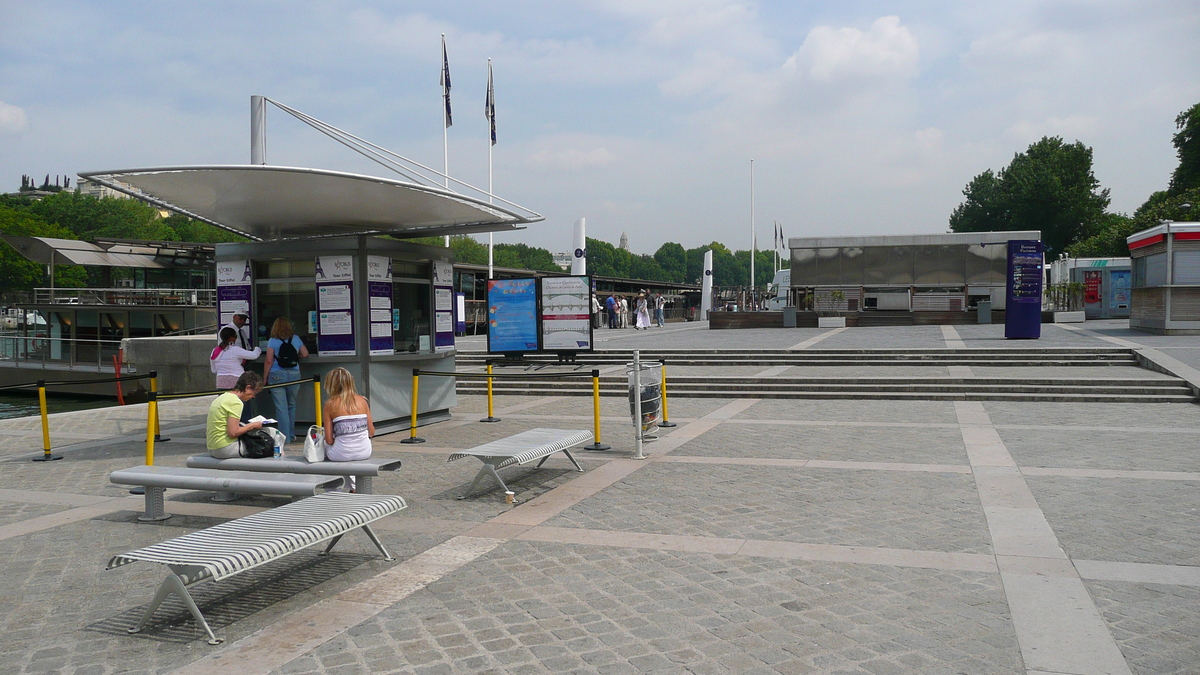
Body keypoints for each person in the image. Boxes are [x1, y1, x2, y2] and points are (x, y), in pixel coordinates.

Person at [322, 367, 374, 491]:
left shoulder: (330, 404)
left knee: (327, 447)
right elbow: (371, 432)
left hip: (341, 453)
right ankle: (354, 487)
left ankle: (333, 489)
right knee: (346, 450)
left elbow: (329, 440)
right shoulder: (363, 401)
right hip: (364, 451)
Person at [263, 317, 309, 442]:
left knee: (281, 407)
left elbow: (268, 360)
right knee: (291, 405)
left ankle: (285, 437)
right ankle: (292, 434)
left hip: (276, 374)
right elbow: (305, 354)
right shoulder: (296, 339)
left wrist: (264, 378)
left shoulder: (272, 341)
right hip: (294, 374)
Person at [206, 372, 264, 458]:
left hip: (212, 447)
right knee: (269, 440)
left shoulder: (222, 397)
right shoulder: (236, 402)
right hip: (225, 448)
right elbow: (233, 433)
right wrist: (251, 425)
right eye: (255, 392)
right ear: (248, 388)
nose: (253, 397)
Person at [211, 326, 262, 390]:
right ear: (231, 338)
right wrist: (257, 348)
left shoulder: (215, 350)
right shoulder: (235, 349)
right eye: (235, 337)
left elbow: (214, 370)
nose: (235, 339)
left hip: (221, 382)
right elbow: (254, 355)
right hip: (237, 380)